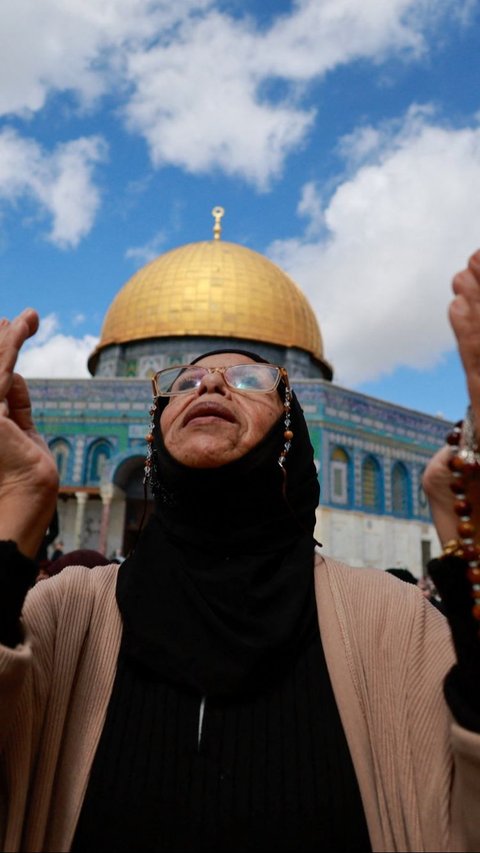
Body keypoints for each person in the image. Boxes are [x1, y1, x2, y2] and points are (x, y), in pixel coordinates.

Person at [1, 252, 480, 853]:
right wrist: (14, 516)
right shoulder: (66, 617)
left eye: (251, 379)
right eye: (182, 381)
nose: (209, 383)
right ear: (154, 431)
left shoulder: (394, 626)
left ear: (294, 429)